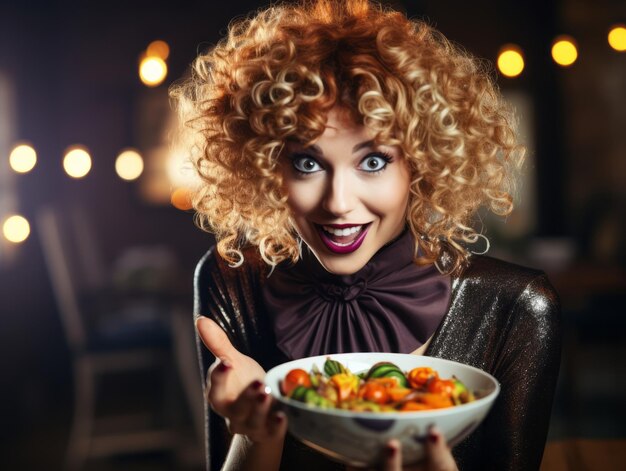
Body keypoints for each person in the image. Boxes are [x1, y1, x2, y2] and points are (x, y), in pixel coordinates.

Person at [170, 1, 561, 470]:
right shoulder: (232, 281)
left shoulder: (516, 307)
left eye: (373, 161)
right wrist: (256, 433)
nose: (338, 202)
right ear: (266, 164)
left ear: (422, 163)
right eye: (307, 162)